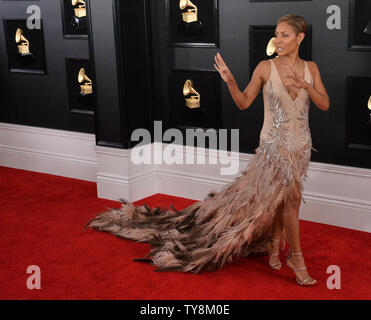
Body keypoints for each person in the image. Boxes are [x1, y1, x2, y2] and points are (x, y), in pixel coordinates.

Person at [85, 14, 329, 287]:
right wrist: (229, 81)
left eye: (285, 35)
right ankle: (297, 258)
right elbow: (244, 103)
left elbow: (324, 104)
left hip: (300, 149)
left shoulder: (311, 69)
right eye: (277, 34)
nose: (278, 40)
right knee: (291, 200)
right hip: (273, 150)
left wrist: (307, 85)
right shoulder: (265, 67)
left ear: (300, 38)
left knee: (281, 199)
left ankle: (274, 246)